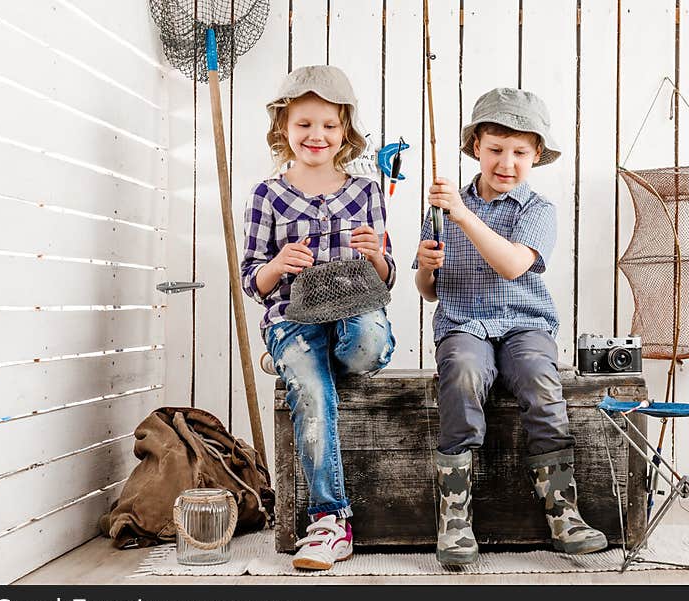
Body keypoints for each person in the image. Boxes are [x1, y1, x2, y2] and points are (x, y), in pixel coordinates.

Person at [413, 87, 607, 564]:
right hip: (464, 323)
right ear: (475, 146)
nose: (506, 162)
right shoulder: (444, 206)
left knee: (541, 381)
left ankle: (563, 510)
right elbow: (430, 290)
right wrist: (424, 265)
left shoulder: (538, 210)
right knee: (459, 371)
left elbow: (514, 266)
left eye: (520, 152)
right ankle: (455, 516)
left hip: (525, 325)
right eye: (495, 149)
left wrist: (461, 213)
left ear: (537, 155)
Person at [241, 65, 396, 570]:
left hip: (355, 311)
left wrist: (376, 255)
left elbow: (386, 277)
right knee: (310, 390)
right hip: (294, 318)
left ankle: (309, 362)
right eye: (304, 124)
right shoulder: (267, 195)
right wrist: (278, 266)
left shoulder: (367, 192)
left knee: (369, 342)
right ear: (283, 128)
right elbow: (251, 280)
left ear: (345, 131)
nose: (317, 135)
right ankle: (330, 520)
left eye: (329, 125)